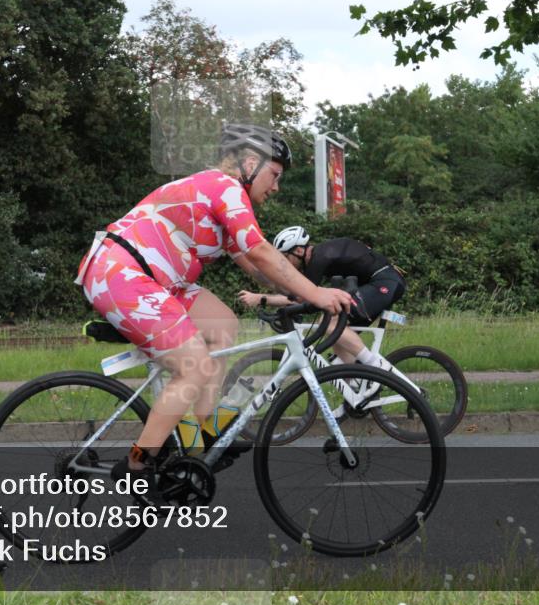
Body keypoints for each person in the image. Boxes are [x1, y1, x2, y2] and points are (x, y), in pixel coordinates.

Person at [76, 125, 354, 506]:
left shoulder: (222, 196)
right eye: (275, 176)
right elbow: (260, 253)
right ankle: (137, 466)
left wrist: (295, 295)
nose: (276, 187)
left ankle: (203, 429)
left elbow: (253, 265)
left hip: (159, 280)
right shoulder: (224, 186)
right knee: (192, 366)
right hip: (122, 273)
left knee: (223, 324)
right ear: (251, 163)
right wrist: (316, 294)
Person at [237, 227, 406, 371]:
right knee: (338, 339)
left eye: (286, 258)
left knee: (331, 324)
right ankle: (357, 392)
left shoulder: (319, 259)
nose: (285, 264)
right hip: (378, 283)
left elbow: (301, 298)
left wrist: (261, 298)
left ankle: (378, 368)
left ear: (298, 251)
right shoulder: (320, 256)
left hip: (385, 283)